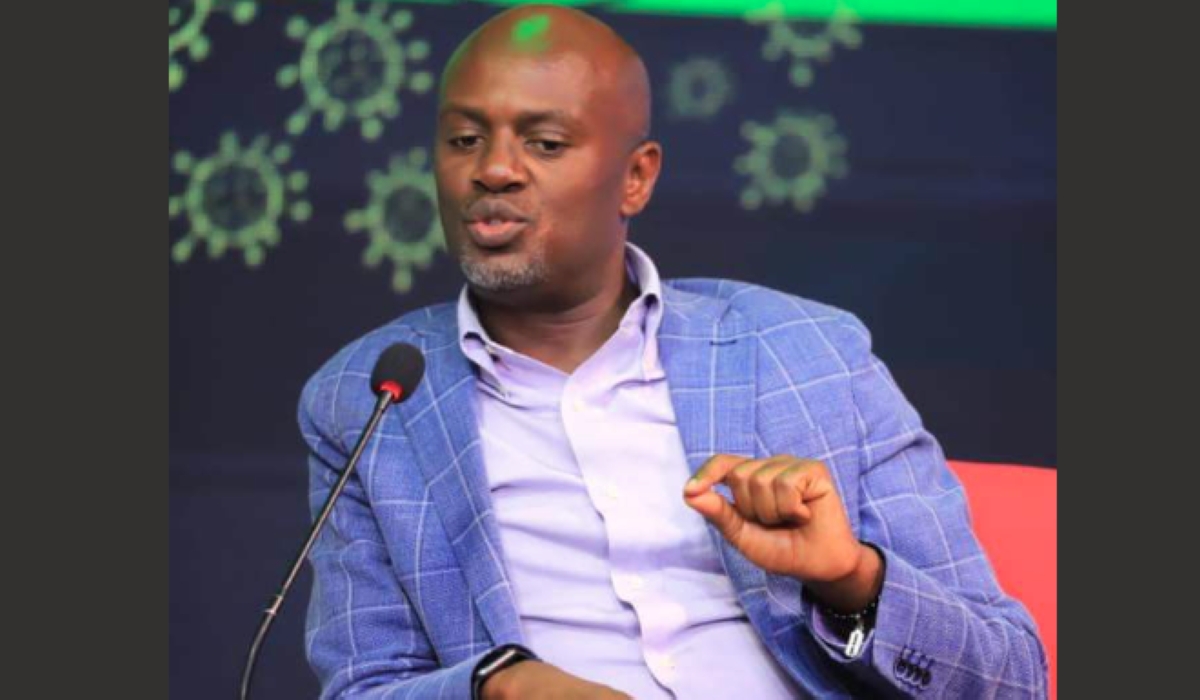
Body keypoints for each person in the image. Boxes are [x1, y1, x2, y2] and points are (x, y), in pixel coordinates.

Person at [297, 5, 1048, 699]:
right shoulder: (366, 398)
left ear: (636, 177)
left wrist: (850, 578)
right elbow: (365, 686)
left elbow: (1011, 677)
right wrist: (496, 685)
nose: (493, 169)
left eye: (545, 143)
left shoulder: (810, 352)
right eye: (465, 139)